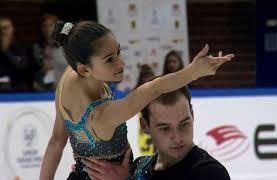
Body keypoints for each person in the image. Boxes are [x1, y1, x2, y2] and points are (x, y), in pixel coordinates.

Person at [39, 20, 234, 180]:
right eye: (109, 59)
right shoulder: (101, 116)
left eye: (118, 52)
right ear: (83, 68)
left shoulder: (68, 80)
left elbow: (56, 141)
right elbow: (153, 89)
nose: (121, 63)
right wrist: (192, 73)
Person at [82, 86, 231, 180]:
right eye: (165, 128)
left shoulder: (209, 173)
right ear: (145, 125)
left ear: (192, 114)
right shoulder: (138, 167)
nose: (177, 137)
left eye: (184, 124)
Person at [31, 13, 67, 91]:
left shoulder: (65, 45)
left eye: (51, 25)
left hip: (64, 87)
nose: (47, 29)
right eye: (44, 26)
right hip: (44, 89)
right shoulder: (37, 47)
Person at [0, 16, 33, 91]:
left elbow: (22, 67)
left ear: (12, 29)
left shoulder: (20, 48)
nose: (3, 32)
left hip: (16, 91)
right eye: (1, 29)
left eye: (6, 28)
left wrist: (5, 51)